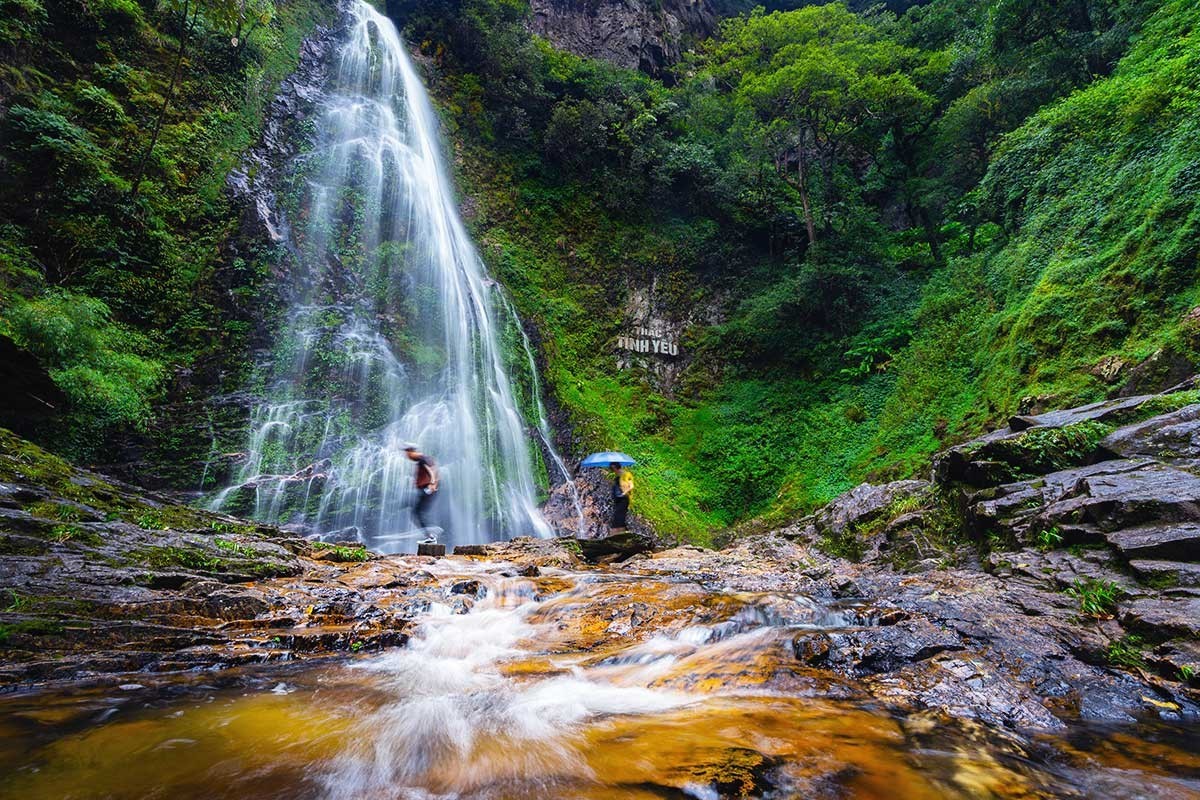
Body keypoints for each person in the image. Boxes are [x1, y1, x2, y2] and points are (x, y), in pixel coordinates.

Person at [404, 445, 439, 539]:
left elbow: (431, 471)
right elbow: (434, 468)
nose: (407, 456)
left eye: (407, 453)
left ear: (411, 451)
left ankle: (431, 535)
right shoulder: (422, 459)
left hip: (427, 489)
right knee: (417, 512)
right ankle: (430, 534)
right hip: (426, 489)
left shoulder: (421, 459)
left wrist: (432, 483)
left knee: (417, 512)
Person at [610, 462, 634, 532]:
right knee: (617, 515)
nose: (611, 470)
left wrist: (624, 493)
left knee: (620, 515)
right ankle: (619, 531)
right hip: (618, 498)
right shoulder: (618, 476)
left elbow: (631, 486)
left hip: (623, 498)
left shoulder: (626, 474)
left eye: (612, 468)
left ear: (616, 467)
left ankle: (619, 531)